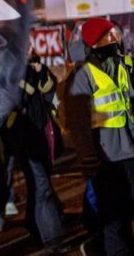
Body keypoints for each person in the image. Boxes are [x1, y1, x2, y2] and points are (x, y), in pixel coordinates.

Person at [66, 18, 134, 255]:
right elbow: (77, 124)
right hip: (106, 159)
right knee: (114, 217)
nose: (116, 38)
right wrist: (88, 158)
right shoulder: (83, 76)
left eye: (116, 34)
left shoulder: (123, 65)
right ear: (95, 42)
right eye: (110, 35)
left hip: (130, 153)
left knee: (127, 213)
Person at [11, 48, 66, 251]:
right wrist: (31, 72)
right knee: (42, 188)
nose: (30, 47)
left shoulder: (36, 68)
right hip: (26, 138)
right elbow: (22, 96)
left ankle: (34, 225)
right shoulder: (12, 71)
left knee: (38, 187)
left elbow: (49, 89)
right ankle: (53, 240)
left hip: (42, 136)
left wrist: (39, 69)